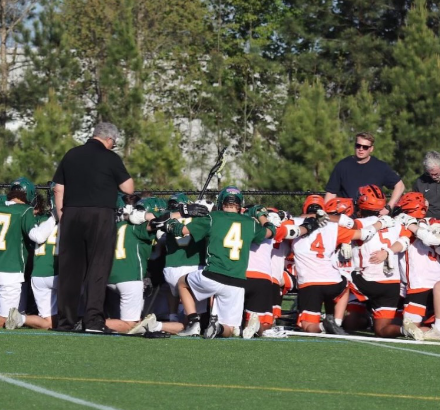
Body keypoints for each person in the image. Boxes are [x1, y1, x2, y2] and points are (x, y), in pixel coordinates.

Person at [52, 122, 134, 332]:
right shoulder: (110, 158)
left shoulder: (71, 154)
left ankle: (65, 321)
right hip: (100, 214)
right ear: (109, 140)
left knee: (69, 270)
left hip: (71, 213)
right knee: (98, 267)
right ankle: (93, 320)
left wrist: (63, 215)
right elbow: (128, 188)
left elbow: (58, 188)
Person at [324, 132, 405, 215]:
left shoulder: (380, 167)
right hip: (347, 218)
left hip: (373, 218)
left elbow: (400, 186)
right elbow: (331, 193)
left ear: (371, 149)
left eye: (365, 147)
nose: (361, 149)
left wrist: (388, 207)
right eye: (358, 145)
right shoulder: (342, 165)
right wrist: (327, 214)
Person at [413, 150, 440, 218]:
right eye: (430, 174)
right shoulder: (420, 182)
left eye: (436, 174)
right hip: (427, 221)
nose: (433, 177)